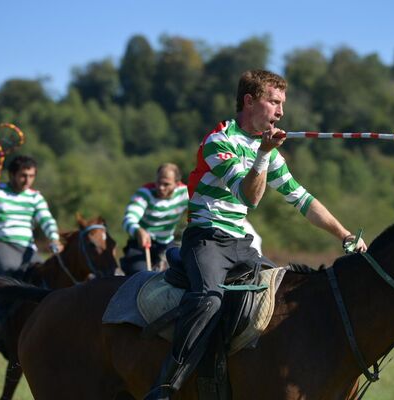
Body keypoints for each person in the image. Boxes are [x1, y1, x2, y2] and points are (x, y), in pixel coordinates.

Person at [144, 69, 367, 399]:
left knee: (282, 296)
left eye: (282, 104)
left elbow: (303, 200)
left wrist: (345, 235)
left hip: (241, 243)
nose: (281, 112)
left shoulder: (270, 154)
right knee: (208, 299)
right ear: (249, 101)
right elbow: (249, 196)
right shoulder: (219, 142)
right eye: (274, 102)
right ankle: (165, 386)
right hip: (205, 240)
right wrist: (262, 154)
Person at [0, 155, 62, 341]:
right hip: (1, 245)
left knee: (46, 276)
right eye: (23, 175)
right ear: (11, 174)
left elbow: (46, 220)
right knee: (10, 274)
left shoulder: (35, 197)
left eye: (31, 176)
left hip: (27, 248)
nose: (27, 180)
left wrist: (54, 238)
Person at [119, 163, 188, 277]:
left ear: (177, 183)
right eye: (159, 182)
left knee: (182, 275)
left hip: (166, 244)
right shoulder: (144, 193)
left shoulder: (185, 194)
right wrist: (138, 231)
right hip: (140, 244)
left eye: (166, 184)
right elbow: (128, 220)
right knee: (140, 277)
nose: (161, 187)